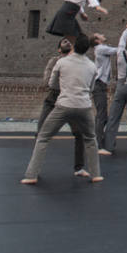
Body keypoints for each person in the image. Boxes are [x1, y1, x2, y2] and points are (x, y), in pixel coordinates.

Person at [22, 34, 102, 184]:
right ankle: (96, 174)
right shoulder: (91, 66)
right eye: (63, 41)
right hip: (81, 105)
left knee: (44, 137)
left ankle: (31, 175)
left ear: (74, 46)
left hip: (64, 103)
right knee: (91, 138)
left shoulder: (62, 63)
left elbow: (52, 84)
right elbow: (91, 87)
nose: (66, 41)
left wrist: (66, 87)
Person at [37, 38, 87, 176]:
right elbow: (46, 81)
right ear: (59, 49)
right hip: (53, 98)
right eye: (63, 42)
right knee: (41, 133)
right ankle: (35, 169)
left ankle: (79, 168)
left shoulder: (77, 62)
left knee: (79, 133)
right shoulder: (54, 61)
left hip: (70, 100)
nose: (67, 42)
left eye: (69, 42)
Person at [100, 28, 127, 155]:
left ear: (125, 47)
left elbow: (121, 41)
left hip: (120, 86)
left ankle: (108, 147)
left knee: (113, 117)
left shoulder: (120, 55)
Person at [91, 33, 118, 144]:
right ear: (97, 40)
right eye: (99, 35)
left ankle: (103, 139)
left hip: (100, 84)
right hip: (99, 84)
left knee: (102, 114)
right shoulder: (101, 48)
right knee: (101, 115)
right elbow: (116, 51)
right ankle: (99, 141)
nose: (103, 35)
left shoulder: (100, 49)